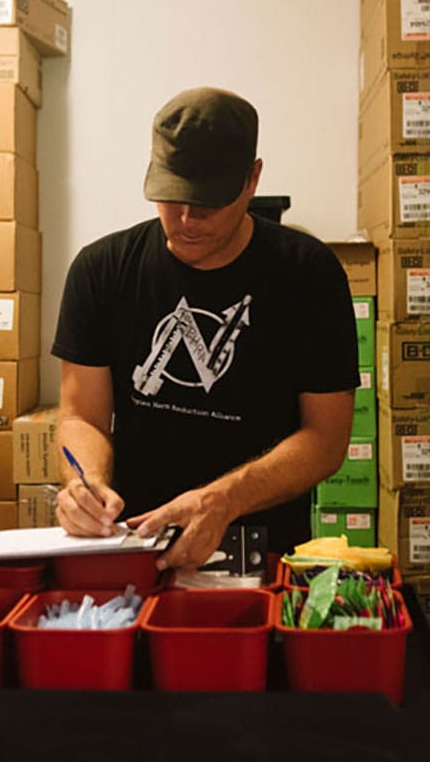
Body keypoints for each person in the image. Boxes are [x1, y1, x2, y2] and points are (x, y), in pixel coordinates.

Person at [50, 86, 359, 571]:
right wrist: (82, 484)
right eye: (173, 198)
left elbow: (326, 439)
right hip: (135, 543)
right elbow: (79, 418)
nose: (188, 220)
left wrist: (225, 500)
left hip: (263, 550)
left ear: (252, 179)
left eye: (208, 202)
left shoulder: (308, 275)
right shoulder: (102, 270)